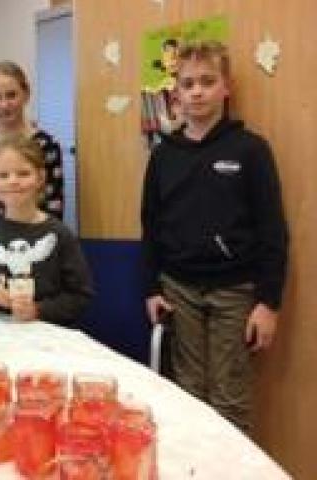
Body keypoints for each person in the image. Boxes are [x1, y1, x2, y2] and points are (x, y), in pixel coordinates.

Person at [141, 41, 288, 432]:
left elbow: (273, 230)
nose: (197, 91)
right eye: (188, 84)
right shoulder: (163, 155)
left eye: (207, 81)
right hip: (178, 291)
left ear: (226, 88)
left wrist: (269, 303)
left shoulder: (251, 150)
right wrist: (151, 288)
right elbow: (151, 227)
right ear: (176, 93)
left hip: (235, 292)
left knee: (230, 400)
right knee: (187, 394)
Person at [0, 136, 93, 327]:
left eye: (23, 174)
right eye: (3, 175)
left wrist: (39, 310)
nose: (13, 181)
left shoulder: (60, 234)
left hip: (46, 334)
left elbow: (80, 296)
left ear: (40, 178)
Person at [0, 61, 64, 230]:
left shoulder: (47, 146)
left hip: (37, 238)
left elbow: (53, 206)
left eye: (11, 95)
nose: (4, 105)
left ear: (26, 94)